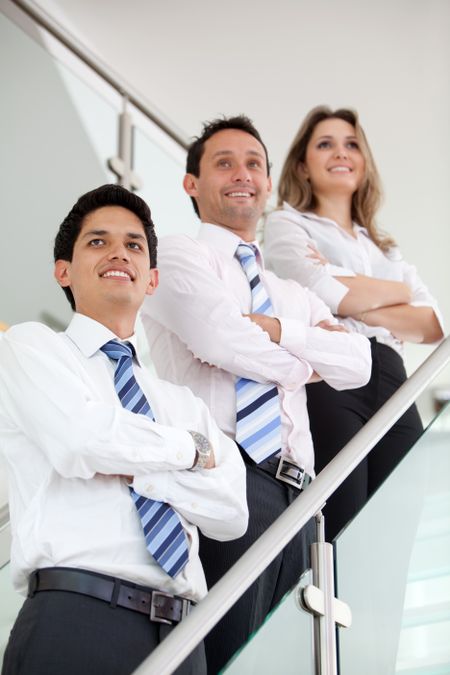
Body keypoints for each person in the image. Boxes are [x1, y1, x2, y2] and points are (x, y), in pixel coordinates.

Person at [140, 115, 372, 673]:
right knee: (223, 653)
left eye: (254, 164)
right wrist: (309, 359)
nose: (242, 174)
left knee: (272, 662)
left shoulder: (290, 292)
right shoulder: (175, 254)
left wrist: (276, 331)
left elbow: (359, 364)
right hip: (225, 471)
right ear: (191, 184)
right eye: (224, 163)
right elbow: (221, 339)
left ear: (269, 183)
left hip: (300, 497)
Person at [0, 184, 248, 675]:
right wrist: (191, 451)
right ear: (63, 271)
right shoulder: (32, 349)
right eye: (98, 241)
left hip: (182, 639)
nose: (119, 253)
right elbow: (83, 440)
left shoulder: (181, 400)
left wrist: (132, 466)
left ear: (152, 279)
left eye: (134, 245)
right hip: (76, 617)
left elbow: (232, 513)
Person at [264, 106, 444, 540]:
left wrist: (347, 289)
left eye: (351, 144)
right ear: (303, 166)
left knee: (398, 526)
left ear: (364, 163)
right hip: (335, 375)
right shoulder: (287, 224)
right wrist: (393, 292)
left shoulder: (386, 249)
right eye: (325, 144)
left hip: (396, 385)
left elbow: (434, 324)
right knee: (343, 520)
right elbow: (324, 293)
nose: (340, 153)